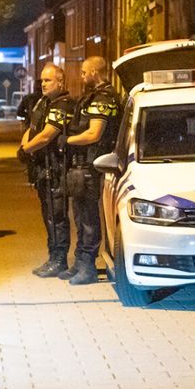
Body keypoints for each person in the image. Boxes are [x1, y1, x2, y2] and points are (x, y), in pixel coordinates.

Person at [61, 56, 120, 285]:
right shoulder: (92, 98)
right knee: (80, 215)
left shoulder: (104, 99)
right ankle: (80, 262)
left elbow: (94, 134)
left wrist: (67, 141)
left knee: (89, 218)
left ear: (95, 72)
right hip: (82, 164)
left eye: (85, 72)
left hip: (93, 164)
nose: (82, 76)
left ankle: (88, 266)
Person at [19, 64, 74, 277]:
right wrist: (24, 148)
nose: (43, 84)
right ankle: (52, 256)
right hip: (43, 168)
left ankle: (59, 260)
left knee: (57, 215)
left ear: (60, 82)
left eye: (48, 80)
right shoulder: (43, 103)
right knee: (48, 214)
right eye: (42, 80)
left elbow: (46, 135)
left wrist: (26, 149)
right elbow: (32, 129)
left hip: (56, 169)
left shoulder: (63, 105)